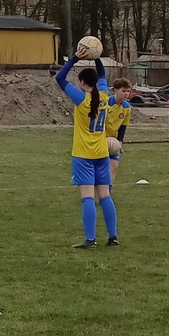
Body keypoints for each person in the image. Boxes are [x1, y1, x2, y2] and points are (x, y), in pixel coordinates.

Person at [55, 53, 118, 248]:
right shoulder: (104, 96)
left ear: (82, 83)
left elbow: (60, 78)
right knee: (105, 195)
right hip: (102, 154)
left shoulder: (81, 99)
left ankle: (90, 239)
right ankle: (113, 236)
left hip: (83, 155)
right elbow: (102, 74)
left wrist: (74, 58)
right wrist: (96, 57)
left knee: (87, 197)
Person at [105, 84, 133, 186]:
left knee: (114, 166)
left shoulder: (127, 107)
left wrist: (119, 141)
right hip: (100, 139)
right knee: (101, 167)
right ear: (115, 90)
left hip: (114, 140)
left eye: (128, 91)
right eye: (124, 91)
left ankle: (108, 191)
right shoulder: (105, 103)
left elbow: (123, 126)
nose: (126, 94)